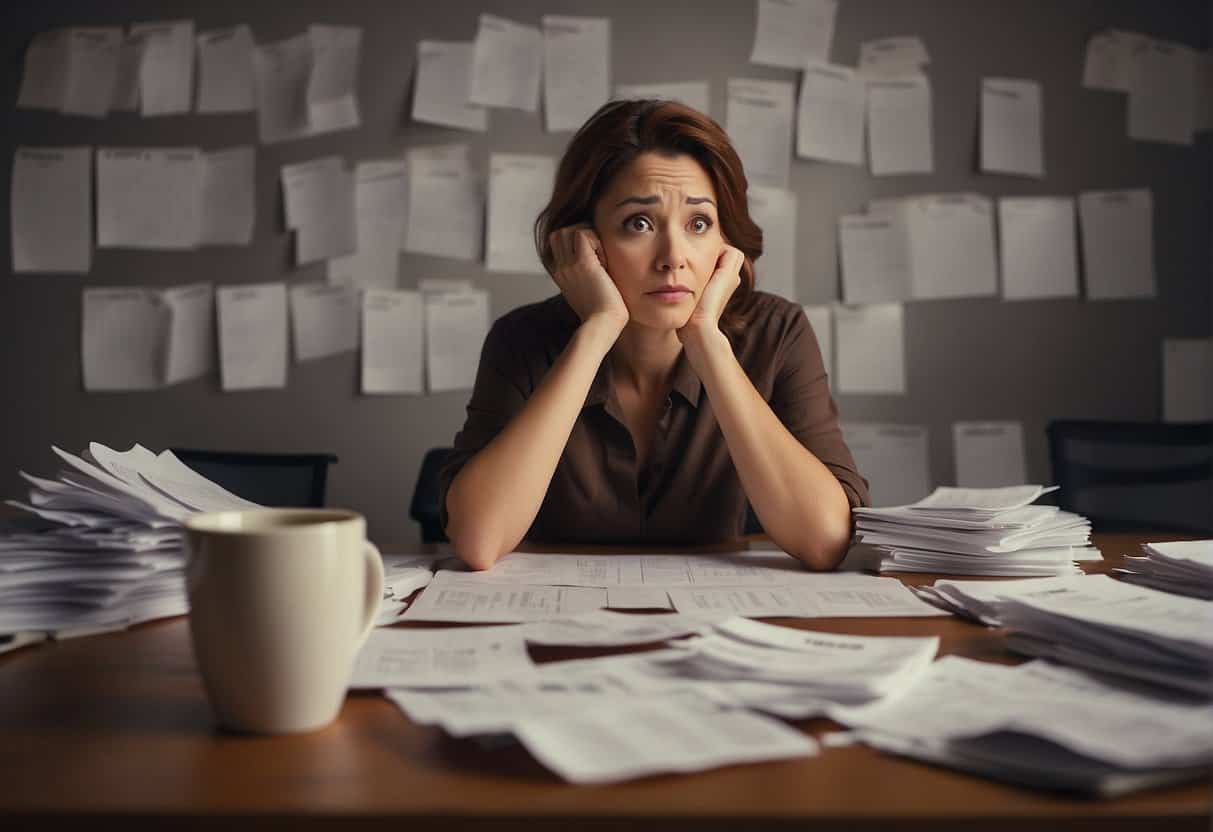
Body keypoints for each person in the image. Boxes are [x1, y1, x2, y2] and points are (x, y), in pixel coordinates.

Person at [439, 99, 869, 571]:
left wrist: (706, 340)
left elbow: (827, 539)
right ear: (585, 240)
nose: (673, 256)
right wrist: (597, 328)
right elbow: (478, 542)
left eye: (698, 223)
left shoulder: (777, 332)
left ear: (727, 244)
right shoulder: (521, 339)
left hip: (718, 625)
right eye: (638, 223)